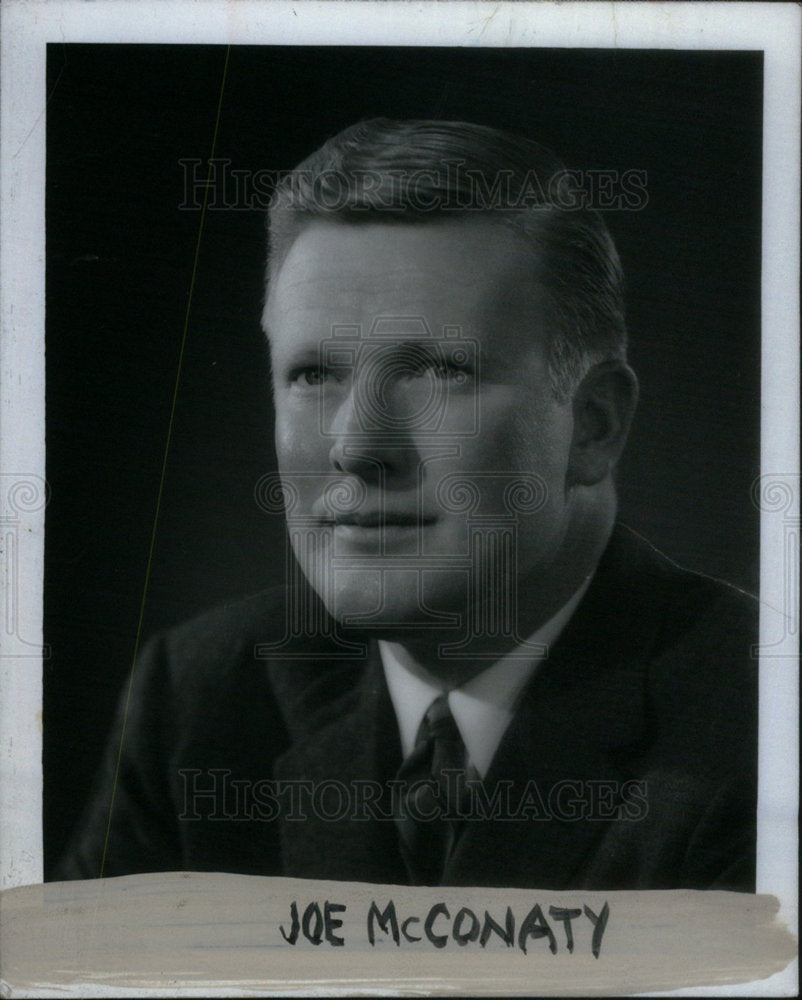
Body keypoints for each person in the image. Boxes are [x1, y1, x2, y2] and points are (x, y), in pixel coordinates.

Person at [57, 119, 757, 891]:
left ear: (593, 424)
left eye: (437, 370)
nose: (357, 446)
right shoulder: (197, 701)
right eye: (314, 374)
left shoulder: (760, 726)